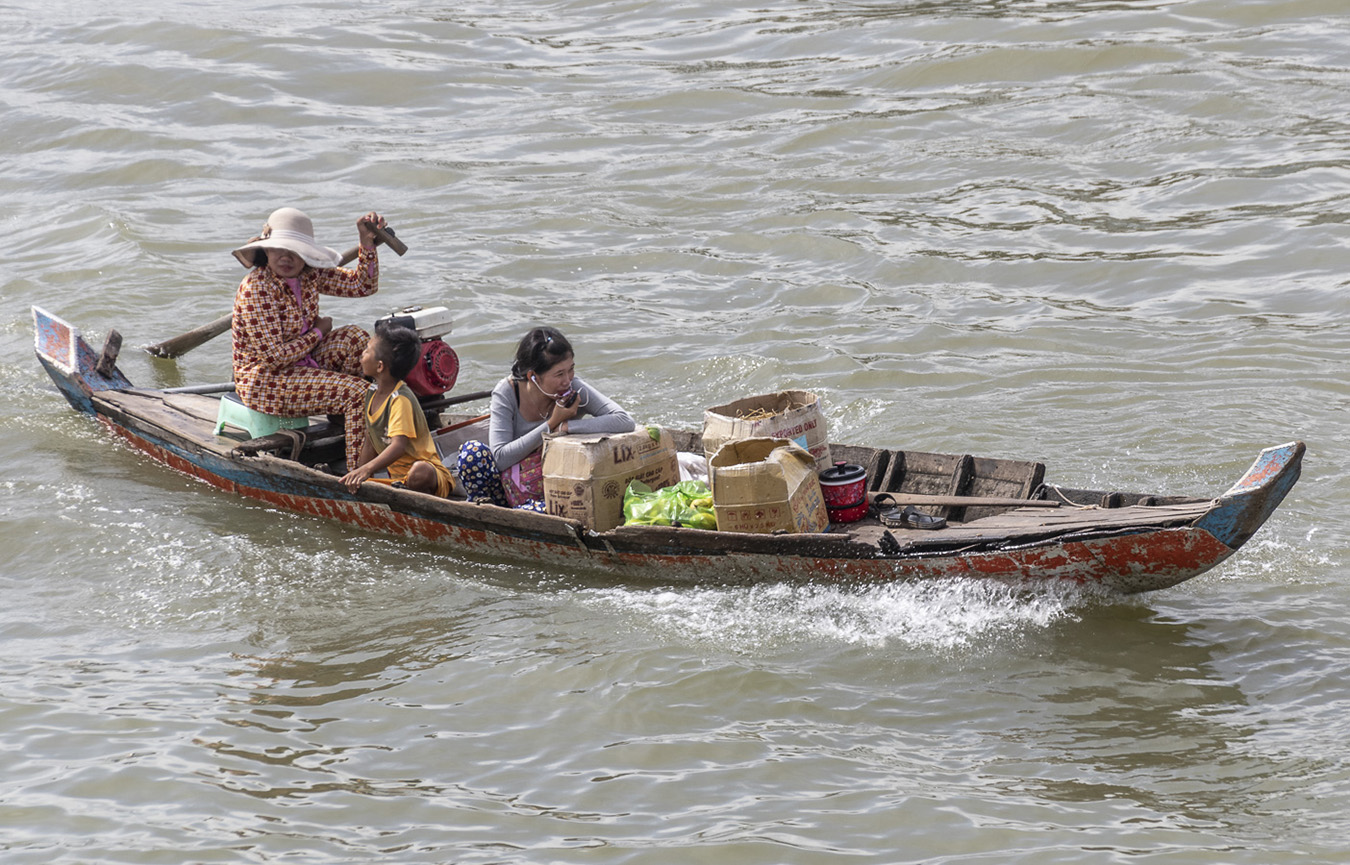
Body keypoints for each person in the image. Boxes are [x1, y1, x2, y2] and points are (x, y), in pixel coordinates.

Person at [230, 207, 386, 471]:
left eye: (295, 252)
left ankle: (345, 420)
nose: (286, 258)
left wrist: (366, 244)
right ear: (266, 251)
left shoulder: (309, 274)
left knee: (356, 340)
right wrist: (318, 333)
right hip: (265, 379)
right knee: (358, 394)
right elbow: (273, 358)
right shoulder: (256, 288)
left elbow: (363, 286)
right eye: (279, 250)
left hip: (303, 363)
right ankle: (358, 474)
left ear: (305, 256)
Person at [457, 326, 635, 510]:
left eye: (571, 370)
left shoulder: (574, 389)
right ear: (533, 377)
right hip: (504, 491)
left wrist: (566, 426)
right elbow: (500, 458)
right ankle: (485, 512)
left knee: (548, 510)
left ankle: (527, 516)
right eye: (559, 374)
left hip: (551, 495)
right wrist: (551, 424)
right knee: (471, 453)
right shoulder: (507, 392)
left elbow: (624, 420)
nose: (567, 380)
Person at [340, 325, 456, 497]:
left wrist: (366, 469)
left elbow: (398, 446)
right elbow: (370, 439)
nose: (362, 354)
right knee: (368, 481)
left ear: (380, 366)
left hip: (428, 477)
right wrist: (360, 475)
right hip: (399, 481)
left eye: (367, 350)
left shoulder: (399, 399)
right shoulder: (371, 393)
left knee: (419, 471)